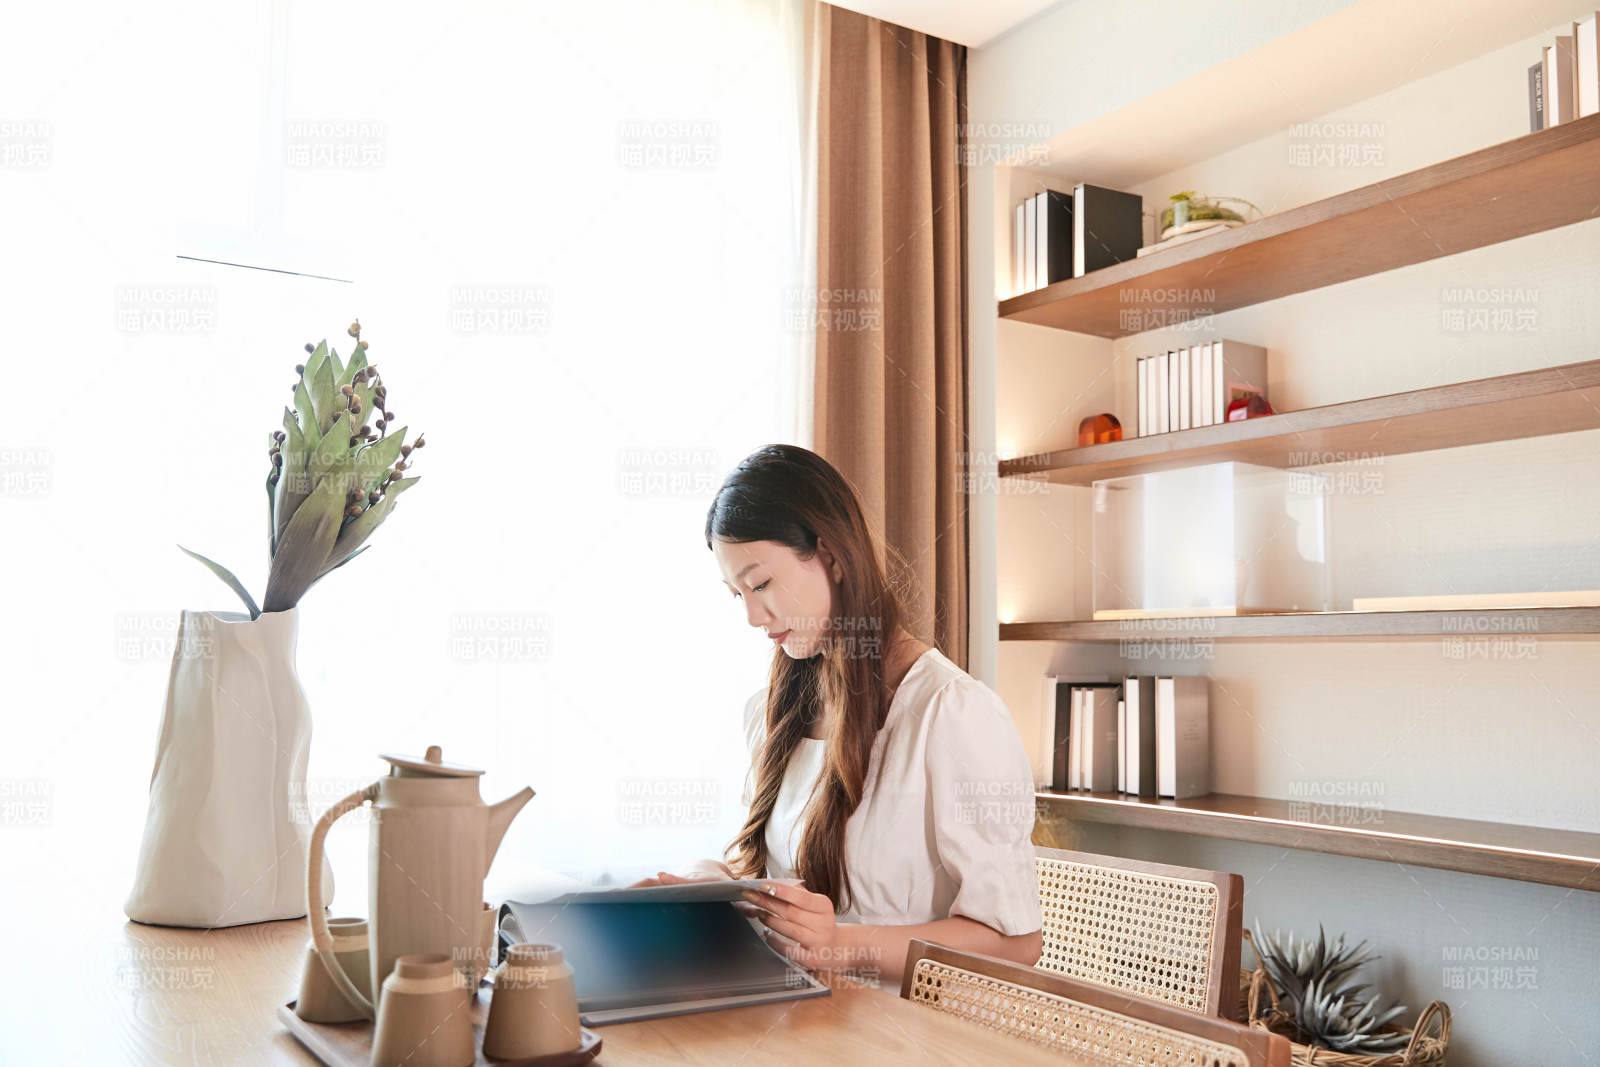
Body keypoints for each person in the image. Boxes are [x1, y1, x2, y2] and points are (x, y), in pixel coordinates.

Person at [635, 444, 1041, 985]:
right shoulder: (774, 711)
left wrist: (841, 945)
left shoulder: (951, 713)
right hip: (799, 1020)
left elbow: (1015, 942)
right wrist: (710, 882)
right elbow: (779, 875)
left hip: (905, 1038)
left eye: (760, 584)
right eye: (737, 595)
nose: (755, 616)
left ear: (831, 556)